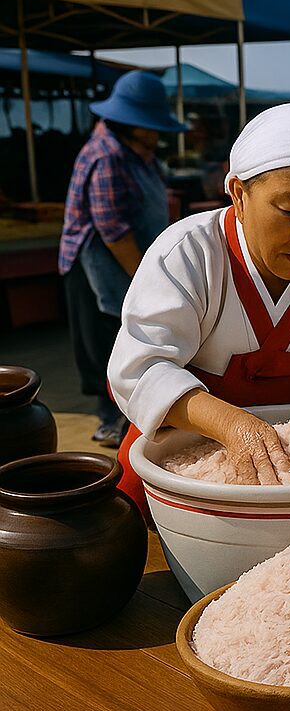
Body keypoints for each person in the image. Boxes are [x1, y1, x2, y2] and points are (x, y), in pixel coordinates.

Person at [109, 102, 290, 517]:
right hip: (184, 463)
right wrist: (232, 425)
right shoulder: (189, 253)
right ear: (239, 194)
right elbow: (140, 368)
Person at [59, 70, 187, 447]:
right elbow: (112, 231)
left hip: (132, 262)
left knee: (134, 334)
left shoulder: (137, 153)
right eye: (152, 127)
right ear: (134, 123)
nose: (157, 134)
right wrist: (147, 277)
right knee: (108, 342)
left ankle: (128, 411)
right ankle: (110, 420)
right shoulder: (107, 155)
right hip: (99, 267)